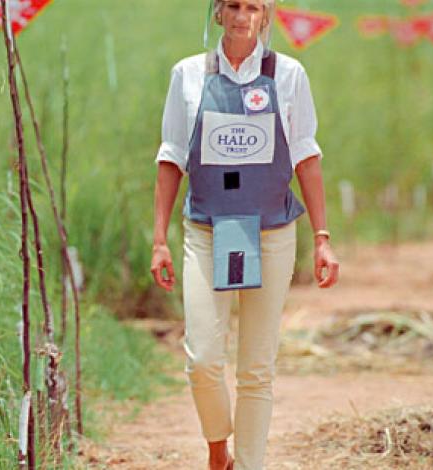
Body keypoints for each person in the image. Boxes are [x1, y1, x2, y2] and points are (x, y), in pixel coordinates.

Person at [149, 1, 340, 469]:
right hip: (207, 230)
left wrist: (321, 235)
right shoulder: (188, 75)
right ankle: (219, 448)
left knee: (256, 368)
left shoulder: (290, 75)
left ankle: (251, 463)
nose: (241, 15)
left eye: (252, 6)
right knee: (203, 357)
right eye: (233, 5)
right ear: (218, 12)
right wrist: (158, 240)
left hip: (271, 232)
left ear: (265, 16)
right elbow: (171, 156)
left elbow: (306, 156)